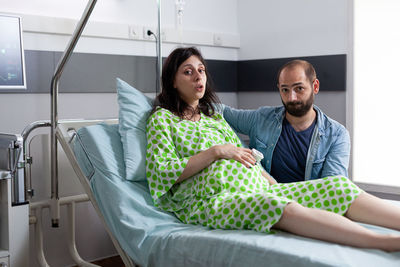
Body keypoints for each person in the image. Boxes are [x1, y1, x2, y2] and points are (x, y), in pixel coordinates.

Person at [145, 46, 400, 251]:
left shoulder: (214, 117)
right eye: (188, 72)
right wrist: (216, 152)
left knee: (337, 187)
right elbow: (162, 172)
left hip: (256, 186)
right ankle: (387, 243)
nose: (199, 76)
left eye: (201, 70)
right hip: (213, 200)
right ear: (173, 81)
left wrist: (277, 186)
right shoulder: (162, 119)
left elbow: (246, 157)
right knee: (277, 206)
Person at [223, 60, 349, 183]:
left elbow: (333, 187)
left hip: (309, 202)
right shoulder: (261, 118)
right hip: (266, 200)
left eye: (299, 88)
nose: (291, 98)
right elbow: (219, 111)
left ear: (315, 86)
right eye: (285, 90)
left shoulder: (337, 134)